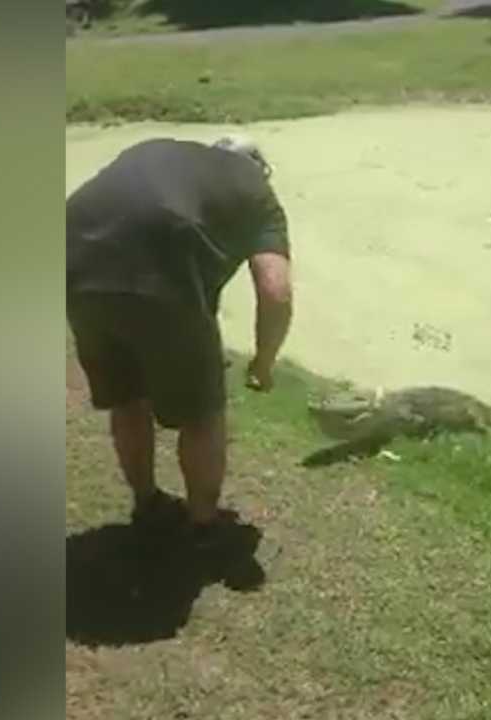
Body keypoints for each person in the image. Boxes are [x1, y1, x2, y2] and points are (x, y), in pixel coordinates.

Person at [66, 134, 294, 544]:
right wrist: (263, 361)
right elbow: (275, 290)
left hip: (73, 254)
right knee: (202, 414)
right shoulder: (257, 191)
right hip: (160, 266)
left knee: (127, 396)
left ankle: (146, 502)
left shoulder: (163, 150)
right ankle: (203, 526)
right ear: (260, 169)